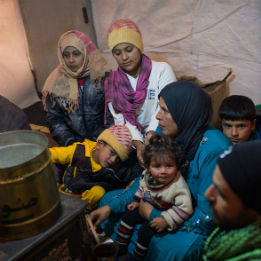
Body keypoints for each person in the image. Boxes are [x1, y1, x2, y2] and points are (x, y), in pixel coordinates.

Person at [89, 81, 231, 261]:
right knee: (108, 200)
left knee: (175, 249)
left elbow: (208, 217)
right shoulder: (169, 133)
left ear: (185, 113)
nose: (157, 116)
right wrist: (111, 208)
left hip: (193, 219)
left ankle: (145, 256)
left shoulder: (215, 150)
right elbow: (148, 179)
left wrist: (153, 216)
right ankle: (139, 250)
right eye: (159, 108)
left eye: (165, 110)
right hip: (161, 202)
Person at [104, 19, 177, 164]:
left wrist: (151, 134)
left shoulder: (161, 70)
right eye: (117, 53)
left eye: (129, 49)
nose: (124, 57)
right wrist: (138, 144)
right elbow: (121, 120)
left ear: (139, 47)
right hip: (132, 139)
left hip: (163, 133)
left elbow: (166, 109)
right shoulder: (112, 83)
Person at [116, 134, 192, 261]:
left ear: (177, 165)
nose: (163, 171)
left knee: (145, 231)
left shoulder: (178, 185)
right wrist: (137, 200)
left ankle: (137, 257)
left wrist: (166, 220)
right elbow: (143, 187)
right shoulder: (148, 175)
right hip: (148, 205)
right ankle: (120, 245)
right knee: (128, 216)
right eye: (157, 167)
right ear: (148, 167)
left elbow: (185, 208)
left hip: (163, 214)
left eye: (169, 166)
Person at [42, 30, 112, 146]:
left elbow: (113, 113)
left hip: (105, 142)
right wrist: (71, 144)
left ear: (86, 53)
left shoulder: (102, 76)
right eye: (66, 55)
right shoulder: (54, 82)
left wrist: (106, 143)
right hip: (74, 144)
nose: (71, 60)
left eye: (76, 53)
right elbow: (55, 119)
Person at [49, 125, 133, 210]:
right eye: (112, 152)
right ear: (99, 144)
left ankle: (82, 212)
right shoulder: (79, 151)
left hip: (83, 203)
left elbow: (125, 181)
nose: (113, 160)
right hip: (64, 194)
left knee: (99, 192)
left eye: (118, 158)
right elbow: (52, 154)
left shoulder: (113, 170)